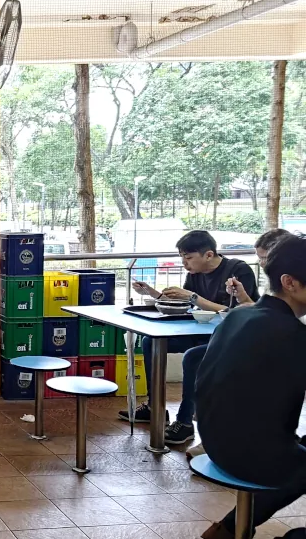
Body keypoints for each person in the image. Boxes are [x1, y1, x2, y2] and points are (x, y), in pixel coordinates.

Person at [196, 235, 306, 539]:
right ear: (290, 282)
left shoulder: (239, 314)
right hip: (249, 456)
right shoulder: (293, 334)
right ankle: (231, 529)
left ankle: (227, 530)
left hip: (213, 441)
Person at [121, 230, 260, 444]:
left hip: (233, 338)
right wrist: (154, 294)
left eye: (188, 258)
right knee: (151, 342)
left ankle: (185, 423)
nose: (185, 264)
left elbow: (235, 312)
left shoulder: (237, 271)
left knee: (192, 357)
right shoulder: (194, 275)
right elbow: (187, 304)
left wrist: (194, 297)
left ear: (208, 255)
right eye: (182, 258)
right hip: (201, 332)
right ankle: (154, 407)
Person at [227, 228, 291, 306]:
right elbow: (266, 311)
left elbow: (276, 314)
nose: (261, 263)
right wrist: (242, 296)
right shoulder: (272, 280)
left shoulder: (292, 283)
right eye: (259, 258)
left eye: (265, 258)